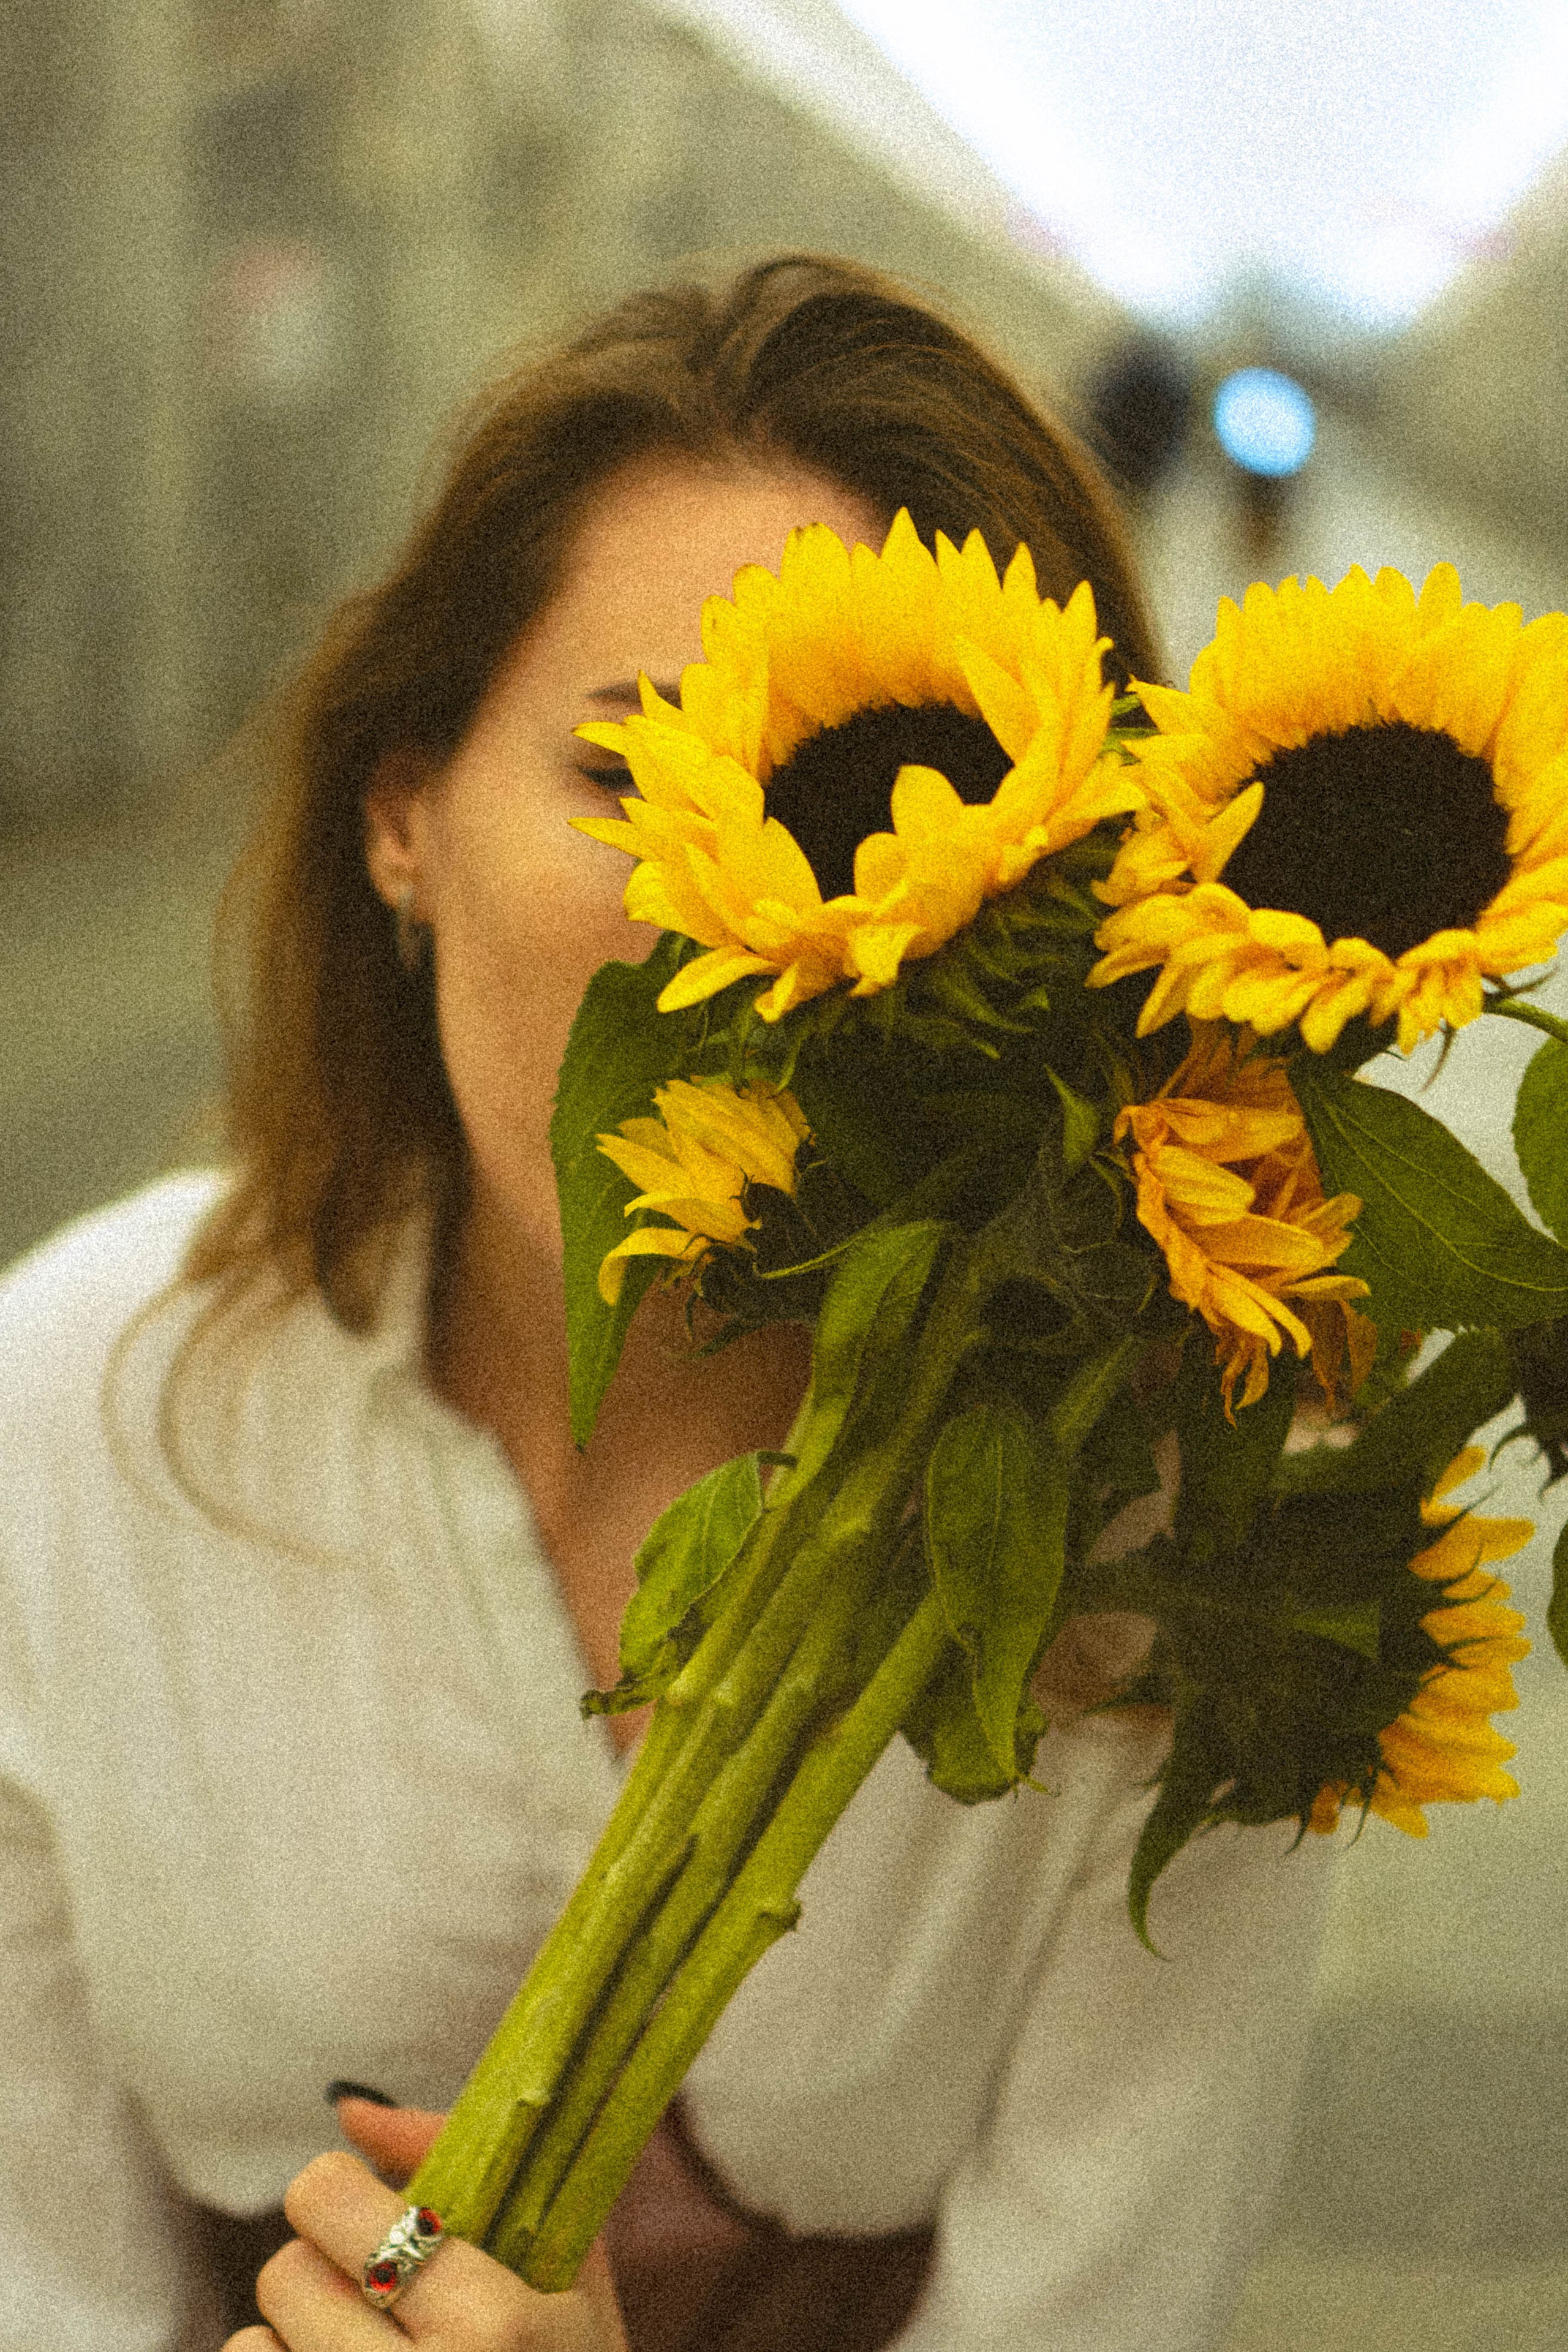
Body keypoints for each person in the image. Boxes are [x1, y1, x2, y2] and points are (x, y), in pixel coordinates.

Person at [0, 254, 1337, 2352]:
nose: (746, 931)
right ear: (402, 808)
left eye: (877, 816)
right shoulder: (69, 1416)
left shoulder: (1168, 1543)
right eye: (631, 782)